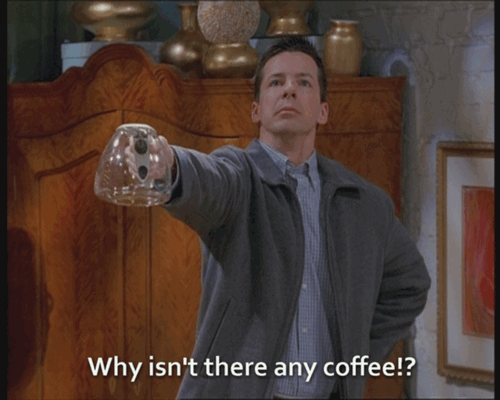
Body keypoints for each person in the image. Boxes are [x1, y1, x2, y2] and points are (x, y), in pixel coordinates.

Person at [125, 36, 430, 399]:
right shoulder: (239, 178)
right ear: (256, 109)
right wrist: (170, 166)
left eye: (304, 83)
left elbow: (410, 285)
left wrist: (355, 353)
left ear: (323, 111)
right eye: (276, 82)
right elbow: (208, 179)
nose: (289, 90)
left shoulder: (364, 203)